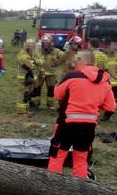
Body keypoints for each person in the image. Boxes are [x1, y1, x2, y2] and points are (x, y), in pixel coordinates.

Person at [47, 50, 115, 179]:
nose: (74, 62)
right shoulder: (105, 81)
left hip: (67, 124)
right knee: (81, 159)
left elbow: (57, 95)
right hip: (89, 127)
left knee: (57, 155)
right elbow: (110, 107)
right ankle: (81, 191)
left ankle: (51, 186)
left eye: (77, 59)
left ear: (84, 61)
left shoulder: (71, 76)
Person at [16, 39, 44, 113]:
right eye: (28, 44)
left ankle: (25, 108)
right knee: (23, 93)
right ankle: (21, 110)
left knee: (28, 93)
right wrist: (35, 62)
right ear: (25, 45)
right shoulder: (22, 53)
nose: (30, 46)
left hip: (31, 77)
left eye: (31, 44)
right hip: (23, 77)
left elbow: (41, 62)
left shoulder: (34, 52)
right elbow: (28, 64)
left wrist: (34, 61)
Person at [40, 34, 64, 110]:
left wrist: (57, 62)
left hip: (51, 74)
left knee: (51, 90)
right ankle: (35, 104)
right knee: (36, 89)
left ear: (51, 43)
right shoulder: (37, 50)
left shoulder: (56, 51)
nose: (46, 44)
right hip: (39, 74)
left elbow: (64, 56)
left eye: (47, 43)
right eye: (44, 43)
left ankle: (50, 105)